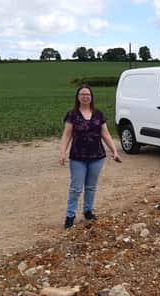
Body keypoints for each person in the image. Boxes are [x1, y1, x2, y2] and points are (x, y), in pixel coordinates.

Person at [59, 84, 121, 229]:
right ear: (78, 97)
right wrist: (62, 152)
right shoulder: (72, 115)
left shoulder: (98, 114)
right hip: (78, 157)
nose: (85, 97)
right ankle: (70, 215)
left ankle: (88, 211)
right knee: (76, 188)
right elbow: (67, 135)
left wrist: (114, 151)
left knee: (91, 187)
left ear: (91, 97)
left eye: (88, 94)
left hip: (97, 156)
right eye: (82, 94)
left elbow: (105, 134)